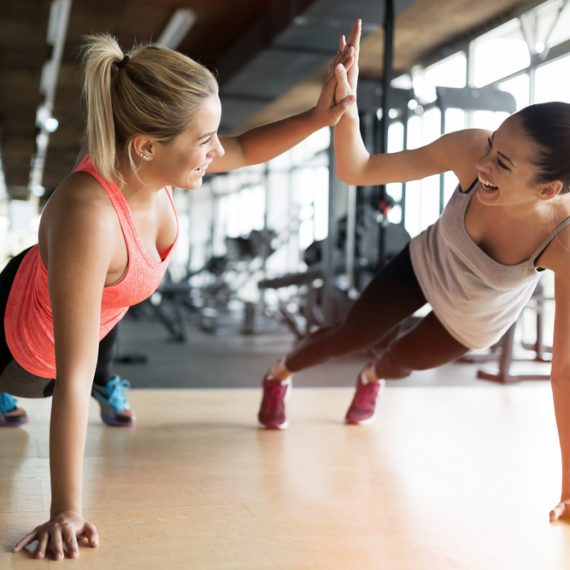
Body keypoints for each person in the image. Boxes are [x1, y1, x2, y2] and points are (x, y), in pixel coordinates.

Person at [3, 29, 356, 559]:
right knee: (67, 372)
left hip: (85, 310)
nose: (216, 149)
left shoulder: (150, 165)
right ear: (147, 145)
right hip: (20, 349)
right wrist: (66, 509)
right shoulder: (89, 217)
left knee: (100, 330)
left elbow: (241, 147)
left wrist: (319, 116)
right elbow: (72, 379)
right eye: (204, 139)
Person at [257, 20, 570, 522]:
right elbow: (357, 169)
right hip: (424, 264)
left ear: (548, 191)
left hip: (471, 321)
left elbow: (566, 370)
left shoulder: (563, 239)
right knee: (346, 335)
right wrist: (347, 105)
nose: (485, 163)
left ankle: (372, 375)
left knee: (398, 362)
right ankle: (278, 375)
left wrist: (569, 489)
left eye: (503, 164)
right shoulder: (471, 151)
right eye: (492, 145)